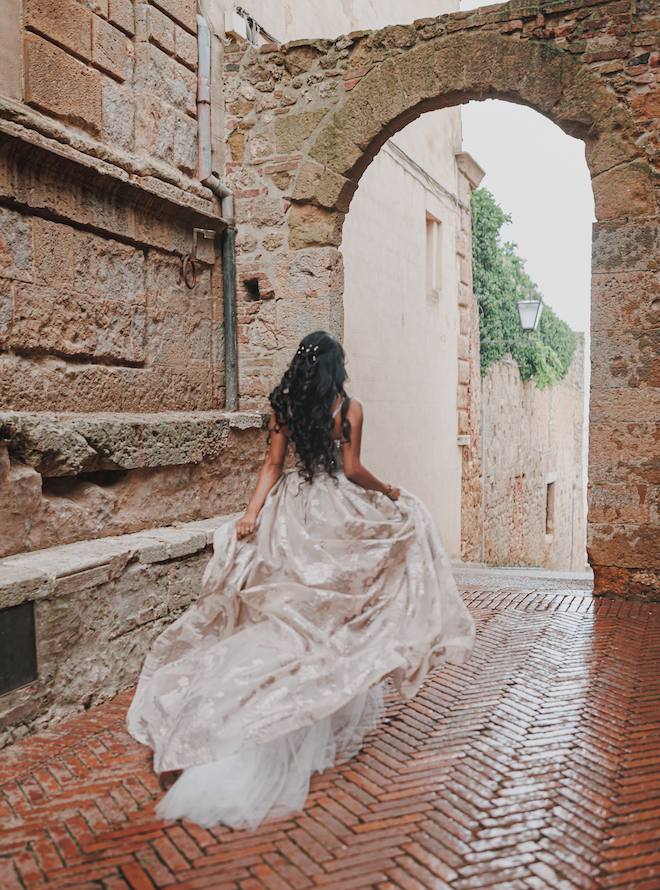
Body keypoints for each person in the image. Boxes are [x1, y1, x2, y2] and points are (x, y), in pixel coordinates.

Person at [126, 331, 475, 830]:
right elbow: (352, 471)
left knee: (292, 608)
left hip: (292, 513)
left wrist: (251, 514)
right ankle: (318, 684)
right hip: (335, 509)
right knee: (337, 606)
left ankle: (294, 692)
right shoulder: (350, 408)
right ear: (337, 368)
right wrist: (391, 490)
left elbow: (272, 465)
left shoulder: (286, 405)